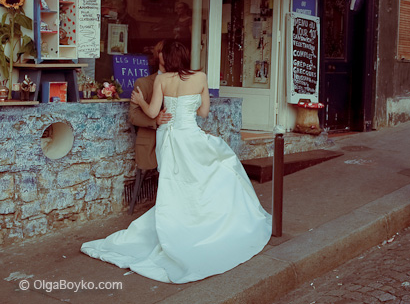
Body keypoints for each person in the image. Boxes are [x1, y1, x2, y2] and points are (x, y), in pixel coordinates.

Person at [82, 40, 271, 282]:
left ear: (166, 59)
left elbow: (152, 114)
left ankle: (181, 221)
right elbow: (203, 113)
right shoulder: (200, 77)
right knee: (219, 167)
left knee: (175, 182)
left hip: (168, 138)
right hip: (189, 134)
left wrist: (139, 101)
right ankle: (207, 221)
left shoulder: (162, 80)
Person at [127, 41, 170, 213]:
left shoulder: (182, 82)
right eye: (163, 52)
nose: (166, 55)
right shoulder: (144, 82)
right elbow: (133, 115)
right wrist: (155, 121)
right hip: (151, 141)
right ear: (157, 55)